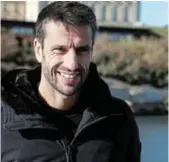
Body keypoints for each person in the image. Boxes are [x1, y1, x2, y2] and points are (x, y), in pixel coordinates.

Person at [1, 2, 141, 162]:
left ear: (92, 51)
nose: (72, 64)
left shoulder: (118, 118)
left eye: (82, 50)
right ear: (38, 50)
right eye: (59, 50)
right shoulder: (2, 120)